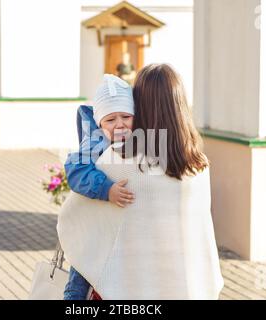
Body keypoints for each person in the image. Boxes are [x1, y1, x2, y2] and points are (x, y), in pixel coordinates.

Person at [58, 64, 224, 299]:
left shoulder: (116, 161)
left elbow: (74, 220)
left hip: (127, 288)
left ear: (140, 106)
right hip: (186, 286)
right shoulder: (200, 165)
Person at [62, 74, 136, 300]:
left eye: (125, 116)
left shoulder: (140, 141)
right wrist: (107, 189)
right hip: (93, 227)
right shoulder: (96, 141)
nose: (119, 124)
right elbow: (76, 169)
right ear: (99, 123)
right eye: (110, 120)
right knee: (81, 273)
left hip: (117, 232)